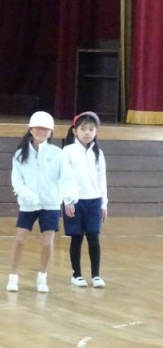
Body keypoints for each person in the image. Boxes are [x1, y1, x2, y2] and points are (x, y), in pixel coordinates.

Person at [6, 111, 76, 293]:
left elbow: (67, 177)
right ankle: (13, 276)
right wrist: (29, 196)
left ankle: (42, 277)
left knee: (47, 243)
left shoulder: (57, 154)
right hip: (28, 205)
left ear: (51, 132)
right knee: (19, 240)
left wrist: (69, 197)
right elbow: (16, 180)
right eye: (38, 128)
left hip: (50, 204)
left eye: (45, 129)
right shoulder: (20, 154)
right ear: (31, 129)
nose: (41, 131)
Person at [62, 111, 107, 288]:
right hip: (75, 202)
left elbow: (102, 179)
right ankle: (77, 274)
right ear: (75, 131)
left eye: (91, 129)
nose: (87, 132)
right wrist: (68, 200)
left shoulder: (98, 153)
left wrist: (104, 203)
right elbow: (64, 178)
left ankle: (96, 275)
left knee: (94, 237)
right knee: (77, 238)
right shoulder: (67, 151)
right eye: (83, 129)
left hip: (94, 201)